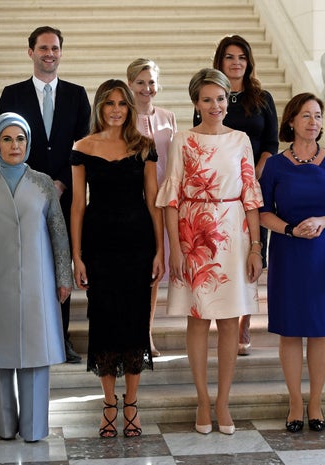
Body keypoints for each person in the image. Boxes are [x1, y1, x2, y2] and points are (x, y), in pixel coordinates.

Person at [158, 68, 264, 435]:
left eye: (220, 98)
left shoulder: (241, 139)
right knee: (198, 318)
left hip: (233, 232)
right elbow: (170, 198)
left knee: (231, 320)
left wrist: (255, 247)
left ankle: (223, 402)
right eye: (207, 99)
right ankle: (203, 400)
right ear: (196, 103)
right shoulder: (183, 140)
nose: (215, 105)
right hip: (193, 232)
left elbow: (251, 197)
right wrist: (175, 249)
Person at [0, 113, 73, 442]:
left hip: (38, 283)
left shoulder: (43, 184)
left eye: (20, 139)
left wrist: (63, 276)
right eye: (7, 139)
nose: (15, 145)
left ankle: (35, 428)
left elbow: (58, 235)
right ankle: (5, 426)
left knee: (36, 356)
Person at [259, 93, 325, 433]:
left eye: (318, 116)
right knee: (289, 331)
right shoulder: (274, 164)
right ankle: (295, 403)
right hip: (287, 253)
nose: (313, 122)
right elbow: (262, 212)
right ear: (291, 121)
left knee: (319, 331)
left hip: (323, 253)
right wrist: (288, 229)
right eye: (306, 116)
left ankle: (315, 402)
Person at [70, 80, 164, 438]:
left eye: (121, 103)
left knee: (135, 324)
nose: (115, 109)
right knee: (105, 324)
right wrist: (77, 256)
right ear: (99, 107)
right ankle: (109, 404)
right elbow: (78, 206)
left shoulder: (145, 147)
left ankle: (132, 404)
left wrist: (160, 251)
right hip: (99, 247)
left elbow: (154, 201)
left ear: (129, 107)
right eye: (109, 103)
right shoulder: (82, 147)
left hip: (138, 245)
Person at [0, 25, 90, 364]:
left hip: (66, 198)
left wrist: (63, 182)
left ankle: (60, 338)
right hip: (22, 195)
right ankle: (28, 336)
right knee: (25, 266)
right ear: (31, 52)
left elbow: (83, 146)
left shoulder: (77, 95)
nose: (49, 54)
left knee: (60, 267)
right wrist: (34, 183)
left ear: (61, 52)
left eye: (54, 48)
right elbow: (6, 143)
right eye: (43, 48)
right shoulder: (12, 94)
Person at [196, 34, 278, 355]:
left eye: (241, 57)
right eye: (230, 57)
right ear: (220, 61)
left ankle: (244, 321)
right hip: (218, 191)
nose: (236, 63)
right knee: (221, 253)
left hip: (254, 185)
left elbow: (271, 143)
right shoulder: (210, 96)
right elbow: (201, 141)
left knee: (250, 252)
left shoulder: (262, 98)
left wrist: (254, 171)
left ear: (248, 62)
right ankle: (221, 314)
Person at [127, 58, 178, 357]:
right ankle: (131, 333)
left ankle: (146, 334)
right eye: (141, 82)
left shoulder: (169, 117)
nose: (147, 88)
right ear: (131, 84)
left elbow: (174, 161)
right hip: (133, 201)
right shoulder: (122, 117)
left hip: (161, 202)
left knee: (154, 273)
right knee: (134, 271)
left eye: (151, 82)